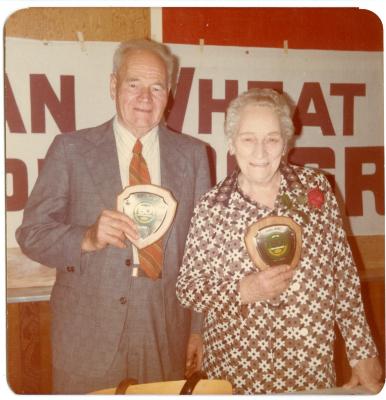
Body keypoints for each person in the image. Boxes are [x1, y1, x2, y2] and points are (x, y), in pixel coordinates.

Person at [16, 39, 211, 394]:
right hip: (88, 334)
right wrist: (86, 237)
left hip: (164, 331)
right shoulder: (71, 150)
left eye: (157, 87)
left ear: (169, 93)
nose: (145, 98)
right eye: (133, 84)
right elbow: (31, 233)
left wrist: (197, 328)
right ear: (112, 86)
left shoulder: (194, 156)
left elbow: (202, 254)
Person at [176, 88, 383, 394]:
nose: (260, 152)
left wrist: (361, 350)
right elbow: (188, 287)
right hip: (238, 374)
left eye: (272, 139)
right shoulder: (212, 207)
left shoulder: (316, 190)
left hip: (308, 372)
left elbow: (343, 273)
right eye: (248, 139)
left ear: (286, 143)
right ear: (232, 144)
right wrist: (242, 290)